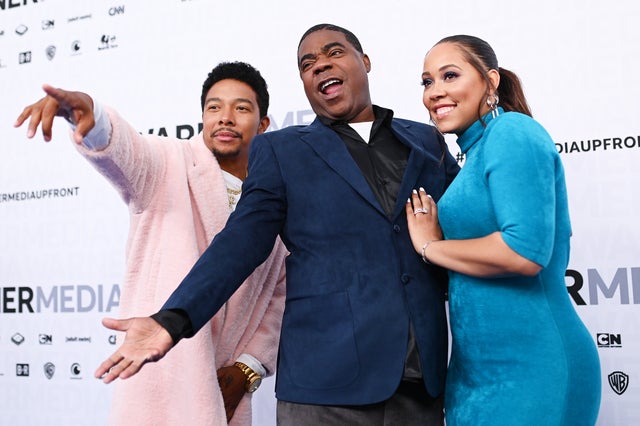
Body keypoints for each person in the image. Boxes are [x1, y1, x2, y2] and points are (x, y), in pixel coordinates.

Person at [92, 24, 459, 425]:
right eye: (307, 63)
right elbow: (240, 243)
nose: (320, 65)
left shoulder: (427, 140)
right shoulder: (282, 150)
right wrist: (173, 319)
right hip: (324, 388)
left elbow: (471, 221)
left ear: (365, 61)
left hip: (420, 381)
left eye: (333, 53)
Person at [15, 62, 288, 426]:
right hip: (160, 378)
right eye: (213, 107)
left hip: (226, 390)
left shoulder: (274, 200)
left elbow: (279, 296)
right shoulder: (168, 165)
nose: (225, 118)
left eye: (241, 108)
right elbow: (128, 153)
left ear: (264, 124)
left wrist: (247, 369)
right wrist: (92, 117)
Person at [406, 35, 601, 425]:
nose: (435, 92)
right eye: (427, 82)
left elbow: (524, 251)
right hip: (475, 374)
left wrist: (430, 246)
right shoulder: (475, 151)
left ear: (490, 81)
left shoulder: (513, 133)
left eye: (450, 75)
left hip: (532, 369)